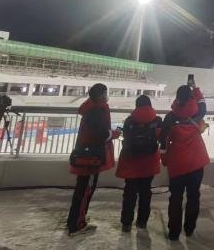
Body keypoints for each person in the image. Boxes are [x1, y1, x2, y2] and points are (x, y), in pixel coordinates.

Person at [67, 83, 120, 236]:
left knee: (82, 190)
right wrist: (113, 134)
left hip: (86, 155)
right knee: (84, 191)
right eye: (105, 93)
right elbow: (101, 134)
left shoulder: (91, 108)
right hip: (90, 158)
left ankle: (77, 219)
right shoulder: (97, 111)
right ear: (100, 96)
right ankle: (76, 224)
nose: (106, 96)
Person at [160, 84, 210, 241]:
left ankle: (174, 232)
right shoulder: (198, 113)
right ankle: (189, 229)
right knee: (193, 196)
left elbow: (162, 142)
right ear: (191, 98)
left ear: (177, 97)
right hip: (196, 162)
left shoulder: (170, 117)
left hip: (177, 164)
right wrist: (196, 89)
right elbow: (202, 103)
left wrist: (165, 160)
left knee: (175, 198)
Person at [115, 95, 162, 232]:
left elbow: (127, 137)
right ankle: (142, 221)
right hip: (149, 161)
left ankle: (126, 223)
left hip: (131, 161)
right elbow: (161, 137)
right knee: (145, 191)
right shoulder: (157, 120)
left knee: (130, 191)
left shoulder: (130, 120)